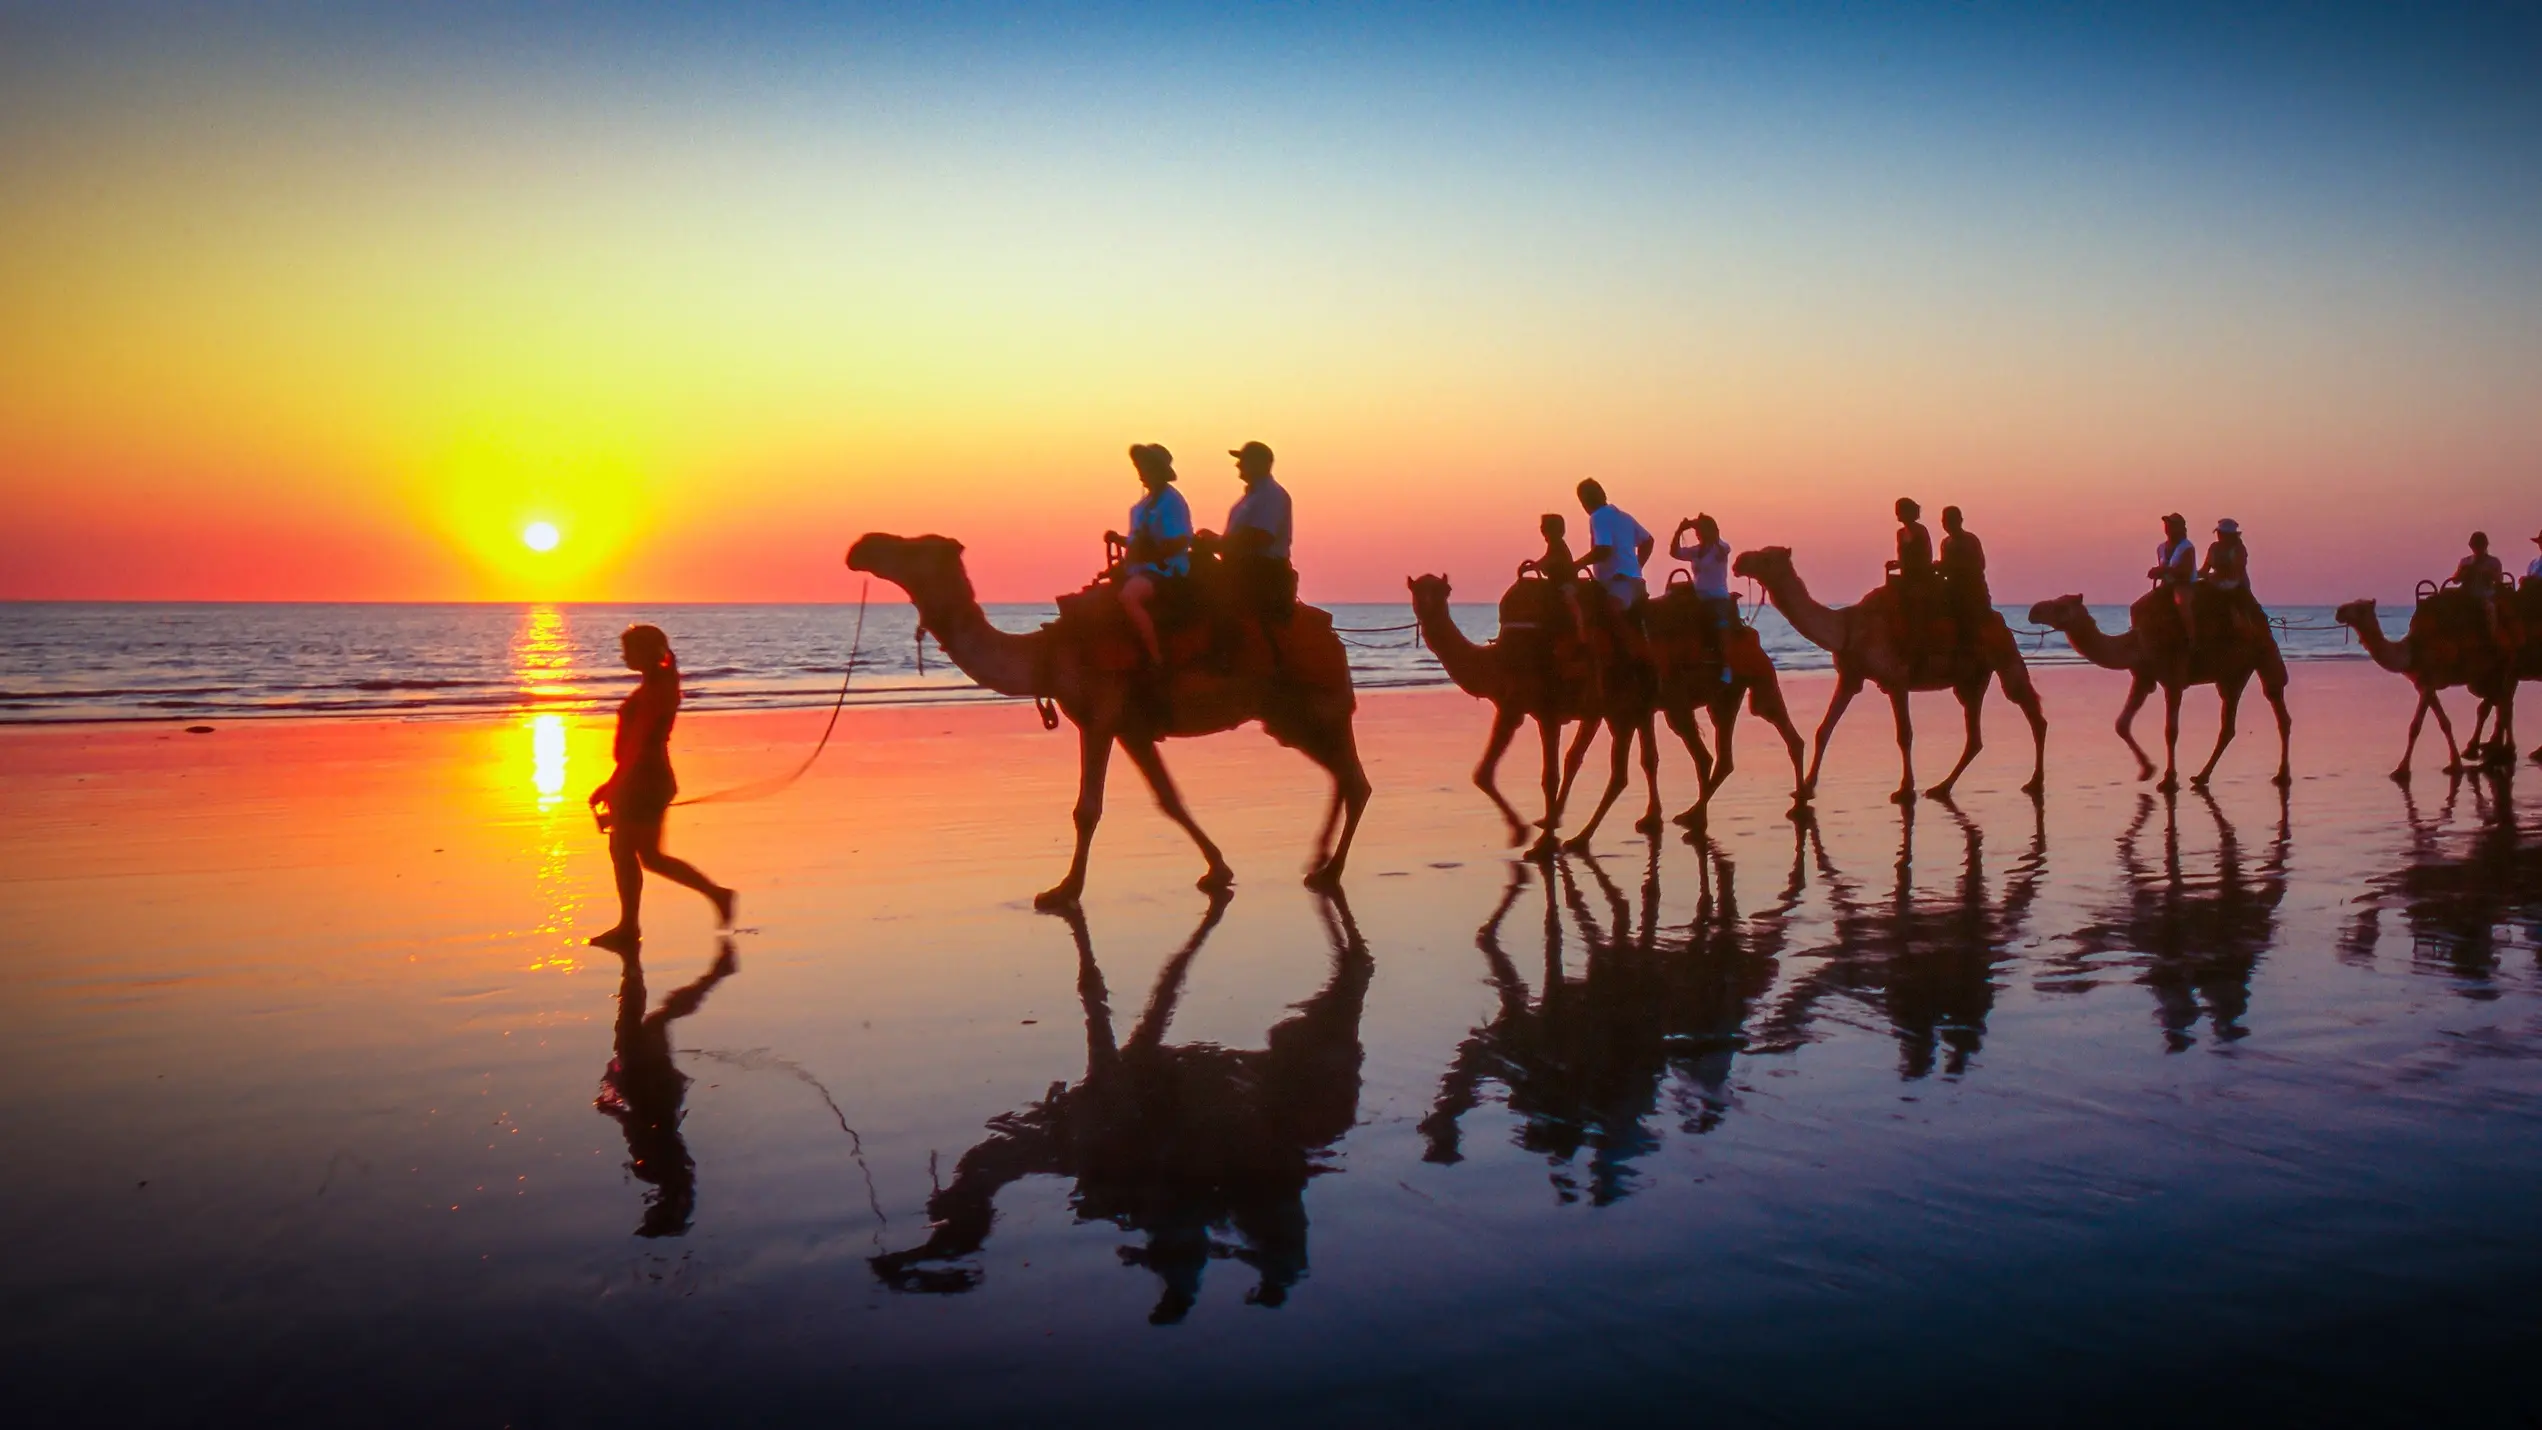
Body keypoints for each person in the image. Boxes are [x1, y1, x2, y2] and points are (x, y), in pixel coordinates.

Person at [588, 624, 735, 952]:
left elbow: (639, 745)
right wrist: (611, 783)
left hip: (643, 779)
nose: (623, 656)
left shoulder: (656, 689)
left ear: (645, 652)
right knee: (647, 856)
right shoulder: (660, 682)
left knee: (626, 853)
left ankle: (629, 928)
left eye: (628, 650)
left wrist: (614, 785)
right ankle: (715, 895)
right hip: (646, 777)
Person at [1104, 443, 1192, 666]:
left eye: (1144, 467)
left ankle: (1156, 657)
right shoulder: (1142, 506)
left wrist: (1148, 554)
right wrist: (1120, 540)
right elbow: (1138, 542)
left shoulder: (1172, 502)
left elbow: (1180, 540)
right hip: (1141, 568)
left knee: (1129, 597)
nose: (1140, 473)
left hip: (1165, 570)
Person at [1221, 440, 1295, 626]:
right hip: (1244, 567)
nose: (1237, 465)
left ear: (1260, 464)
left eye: (1243, 460)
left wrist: (1219, 543)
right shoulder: (1251, 496)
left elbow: (1262, 538)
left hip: (1261, 571)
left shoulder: (1271, 495)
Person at [1670, 513, 1737, 681]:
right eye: (1696, 531)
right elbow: (1674, 552)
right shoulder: (1696, 551)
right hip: (1698, 595)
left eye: (1700, 530)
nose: (1698, 534)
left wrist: (1699, 524)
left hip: (1717, 595)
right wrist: (1680, 531)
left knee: (1720, 624)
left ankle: (1726, 666)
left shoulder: (1720, 548)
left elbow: (1723, 547)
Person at [1577, 479, 1654, 616]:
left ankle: (1630, 638)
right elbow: (1648, 541)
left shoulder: (1598, 516)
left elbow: (1603, 550)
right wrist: (1636, 567)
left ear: (1585, 501)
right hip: (1636, 583)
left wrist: (1576, 565)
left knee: (1607, 617)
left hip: (1618, 586)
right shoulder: (1624, 516)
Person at [1887, 497, 1938, 658]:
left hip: (1921, 577)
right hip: (1905, 577)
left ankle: (1918, 647)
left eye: (1900, 511)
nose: (1897, 514)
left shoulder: (1920, 531)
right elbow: (1902, 557)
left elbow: (1926, 557)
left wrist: (1904, 564)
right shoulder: (1900, 533)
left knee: (1915, 606)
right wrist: (1896, 564)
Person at [2200, 518, 2263, 640]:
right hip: (2215, 582)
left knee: (2241, 610)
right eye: (2218, 532)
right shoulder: (2214, 547)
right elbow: (2204, 569)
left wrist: (2214, 576)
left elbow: (2236, 571)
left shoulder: (2239, 549)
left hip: (2236, 583)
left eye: (2221, 533)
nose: (2219, 535)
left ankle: (2250, 632)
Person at [1535, 512, 1593, 642]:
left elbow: (1550, 559)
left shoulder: (1558, 545)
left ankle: (1580, 626)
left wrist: (1538, 565)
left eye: (1545, 527)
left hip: (1566, 582)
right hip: (1556, 583)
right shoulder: (1553, 545)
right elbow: (1546, 558)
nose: (1542, 530)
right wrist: (1536, 565)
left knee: (1569, 598)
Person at [1939, 505, 1991, 648]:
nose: (1947, 524)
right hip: (1952, 589)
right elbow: (1945, 566)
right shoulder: (1945, 543)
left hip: (1972, 590)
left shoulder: (1970, 540)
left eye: (1951, 520)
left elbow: (1980, 565)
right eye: (1944, 521)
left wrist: (1954, 567)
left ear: (1960, 521)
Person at [2149, 512, 2198, 645]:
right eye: (2167, 524)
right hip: (2167, 585)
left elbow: (2185, 572)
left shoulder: (2187, 547)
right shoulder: (2161, 548)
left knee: (2181, 603)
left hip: (2184, 585)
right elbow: (2163, 568)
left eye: (2171, 525)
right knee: (2138, 607)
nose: (2168, 527)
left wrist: (2163, 570)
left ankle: (2191, 637)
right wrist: (2156, 572)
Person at [2456, 530, 2507, 643]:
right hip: (2467, 597)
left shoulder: (2493, 561)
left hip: (2486, 596)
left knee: (2490, 610)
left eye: (2480, 545)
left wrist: (2489, 573)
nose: (2477, 548)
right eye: (2475, 545)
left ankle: (2492, 639)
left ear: (2485, 546)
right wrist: (2464, 572)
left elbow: (2499, 580)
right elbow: (2455, 580)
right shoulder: (2465, 561)